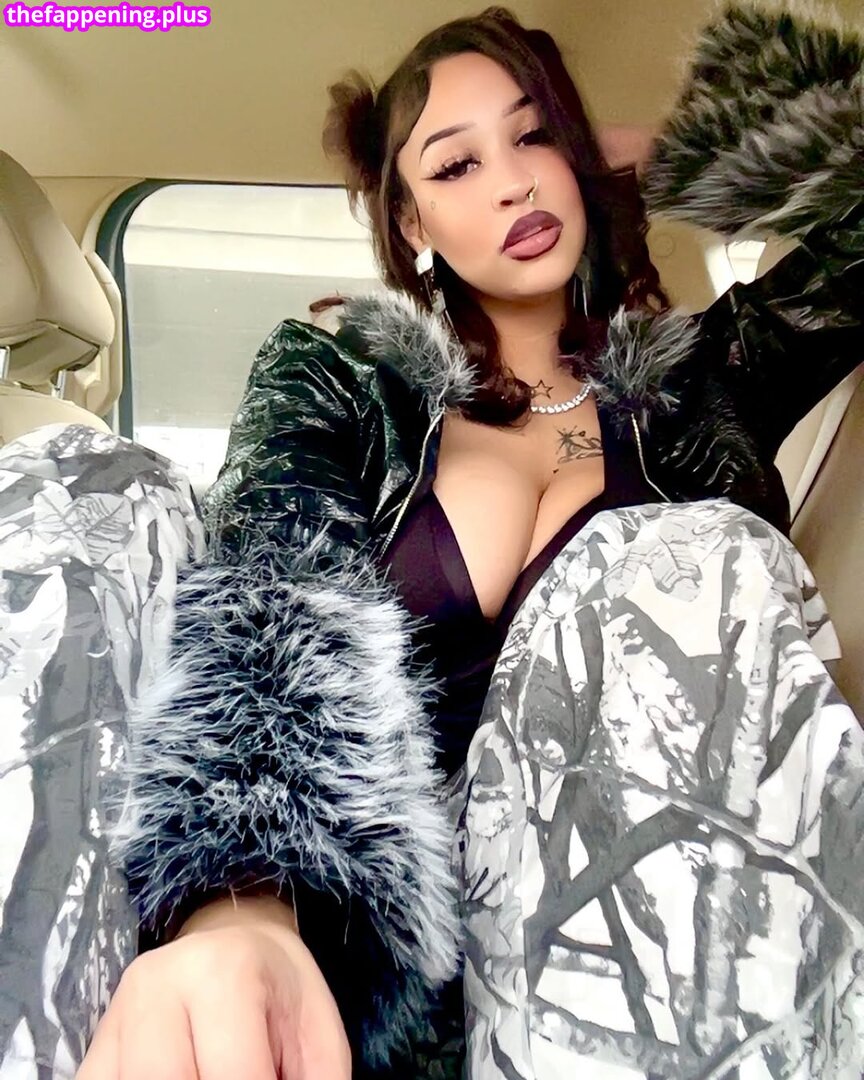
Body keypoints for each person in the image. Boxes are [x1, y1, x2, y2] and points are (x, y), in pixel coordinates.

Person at [76, 4, 864, 1079]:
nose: (514, 182)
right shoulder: (340, 378)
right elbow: (270, 592)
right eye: (457, 164)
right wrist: (241, 911)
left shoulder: (705, 378)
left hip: (676, 915)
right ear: (409, 221)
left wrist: (671, 148)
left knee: (673, 561)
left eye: (537, 136)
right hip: (412, 961)